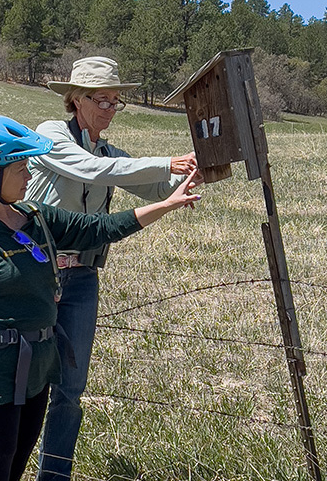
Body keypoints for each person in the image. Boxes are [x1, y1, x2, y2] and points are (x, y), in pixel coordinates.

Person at [0, 114, 200, 481]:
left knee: (15, 468)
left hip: (37, 371)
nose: (29, 176)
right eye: (21, 168)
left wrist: (167, 204)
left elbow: (99, 229)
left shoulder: (35, 216)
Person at [24, 56, 200, 481]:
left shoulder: (109, 151)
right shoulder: (50, 135)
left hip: (83, 276)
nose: (107, 109)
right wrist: (165, 163)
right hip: (38, 274)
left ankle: (55, 475)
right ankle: (3, 465)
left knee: (71, 387)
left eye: (115, 101)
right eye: (99, 99)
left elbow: (155, 186)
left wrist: (198, 169)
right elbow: (90, 170)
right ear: (75, 99)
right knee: (24, 382)